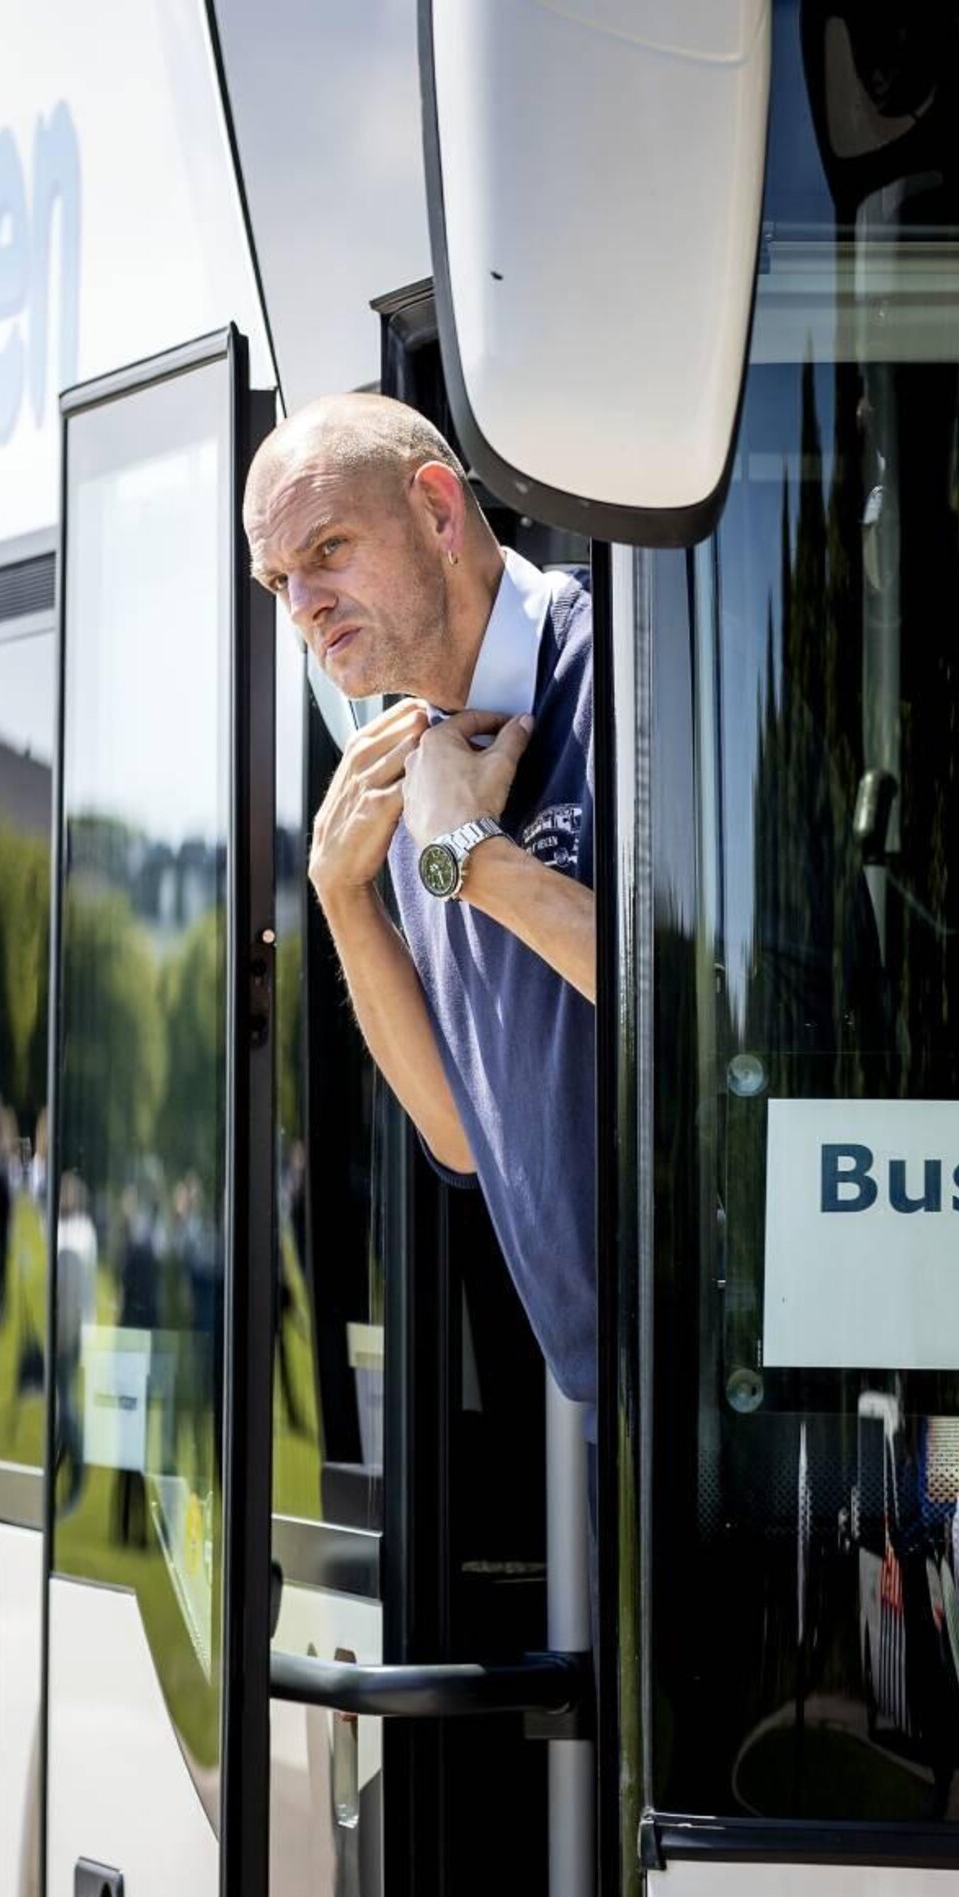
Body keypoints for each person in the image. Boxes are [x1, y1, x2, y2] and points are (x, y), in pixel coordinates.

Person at [242, 391, 596, 1423]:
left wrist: (466, 862)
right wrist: (340, 892)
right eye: (278, 581)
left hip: (739, 1390)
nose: (301, 603)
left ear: (439, 512)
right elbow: (459, 1132)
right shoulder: (400, 768)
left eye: (328, 548)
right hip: (609, 1401)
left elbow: (706, 1003)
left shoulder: (621, 670)